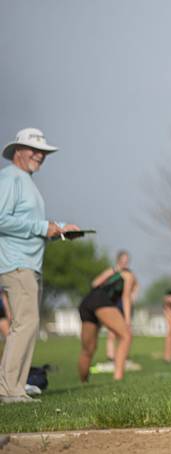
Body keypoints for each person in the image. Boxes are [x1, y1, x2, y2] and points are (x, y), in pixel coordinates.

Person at [0, 128, 79, 404]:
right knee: (25, 324)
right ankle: (8, 389)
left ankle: (16, 387)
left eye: (43, 152)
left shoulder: (26, 181)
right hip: (16, 264)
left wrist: (56, 231)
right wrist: (42, 227)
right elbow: (1, 219)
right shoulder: (10, 178)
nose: (40, 156)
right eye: (34, 150)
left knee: (28, 324)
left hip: (30, 264)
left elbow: (31, 227)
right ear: (18, 151)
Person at [77, 267, 136, 381]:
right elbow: (126, 297)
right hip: (101, 301)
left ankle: (83, 382)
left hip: (87, 301)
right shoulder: (128, 275)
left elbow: (94, 283)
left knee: (88, 349)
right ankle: (118, 378)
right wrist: (128, 320)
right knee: (126, 336)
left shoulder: (111, 274)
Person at [91, 251, 139, 362]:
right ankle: (111, 357)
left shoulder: (129, 274)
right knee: (112, 332)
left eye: (127, 262)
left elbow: (136, 286)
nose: (125, 264)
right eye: (123, 261)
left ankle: (123, 356)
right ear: (118, 261)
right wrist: (112, 272)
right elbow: (95, 283)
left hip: (124, 305)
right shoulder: (112, 271)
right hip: (111, 304)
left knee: (126, 331)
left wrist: (134, 294)